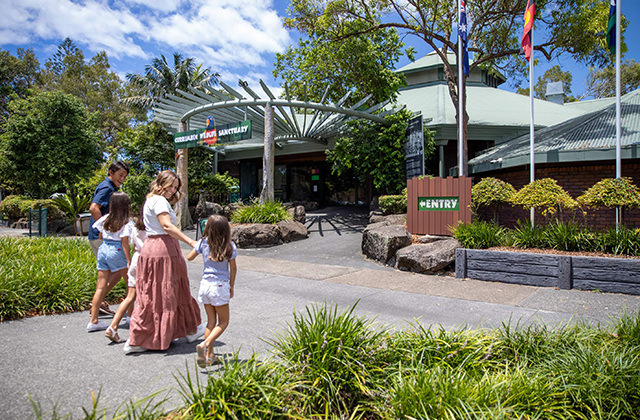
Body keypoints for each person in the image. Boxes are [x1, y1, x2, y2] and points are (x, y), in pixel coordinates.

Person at [123, 170, 205, 354]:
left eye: (176, 187)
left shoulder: (150, 200)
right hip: (163, 248)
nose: (173, 190)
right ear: (161, 183)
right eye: (171, 186)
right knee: (169, 291)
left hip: (154, 246)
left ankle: (184, 330)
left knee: (156, 293)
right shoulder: (159, 201)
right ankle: (187, 330)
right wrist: (192, 241)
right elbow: (167, 226)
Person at [187, 215, 237, 367]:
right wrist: (231, 286)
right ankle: (204, 345)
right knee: (223, 322)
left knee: (210, 322)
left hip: (205, 285)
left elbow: (189, 257)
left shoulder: (203, 243)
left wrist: (197, 246)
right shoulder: (229, 245)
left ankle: (210, 356)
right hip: (219, 286)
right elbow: (233, 268)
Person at [87, 192, 133, 332]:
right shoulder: (126, 222)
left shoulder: (105, 218)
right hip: (117, 250)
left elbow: (100, 234)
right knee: (130, 285)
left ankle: (93, 321)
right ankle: (130, 317)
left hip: (104, 249)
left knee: (100, 286)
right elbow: (125, 243)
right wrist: (129, 261)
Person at [89, 161, 129, 315]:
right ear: (111, 172)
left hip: (105, 236)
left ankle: (97, 303)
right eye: (120, 175)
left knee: (113, 273)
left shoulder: (110, 187)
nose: (122, 179)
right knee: (119, 271)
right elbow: (94, 208)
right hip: (103, 237)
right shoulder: (107, 187)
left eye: (124, 176)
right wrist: (102, 228)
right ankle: (97, 303)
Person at [105, 215, 146, 343]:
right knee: (147, 295)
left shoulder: (135, 228)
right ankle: (142, 330)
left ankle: (113, 326)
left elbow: (133, 244)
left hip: (135, 259)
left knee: (130, 296)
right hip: (145, 260)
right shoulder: (153, 229)